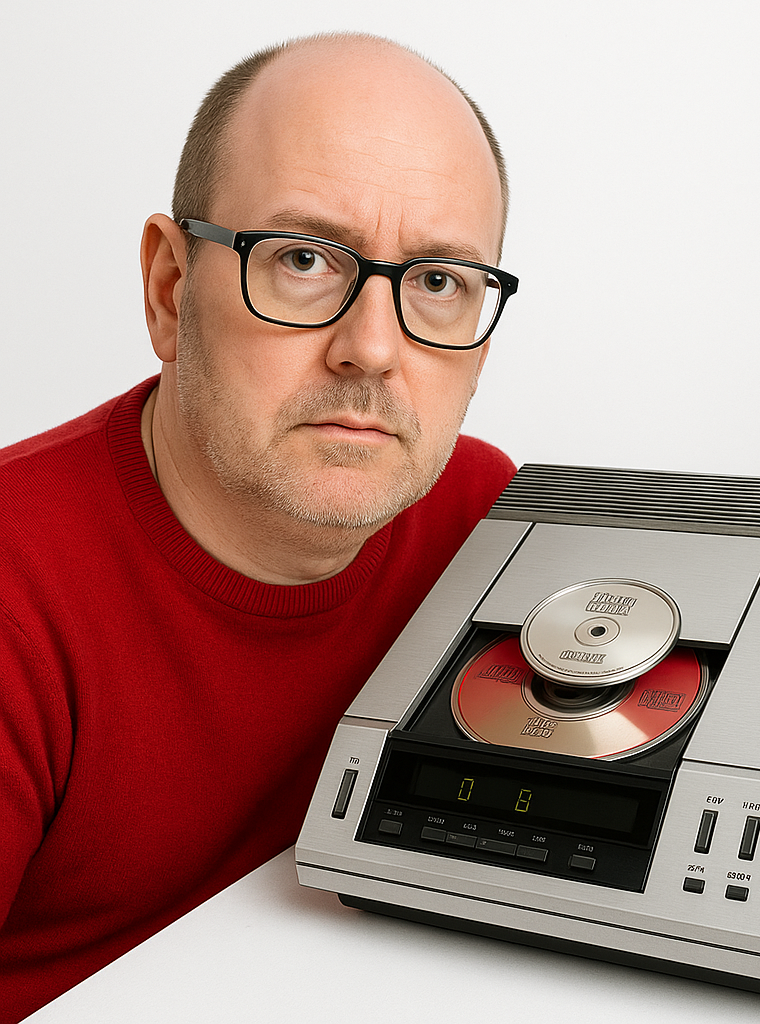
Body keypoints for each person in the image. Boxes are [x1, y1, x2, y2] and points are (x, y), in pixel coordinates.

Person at [0, 33, 518, 1021]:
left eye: (439, 281)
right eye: (303, 259)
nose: (372, 349)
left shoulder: (484, 529)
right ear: (170, 289)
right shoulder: (15, 600)